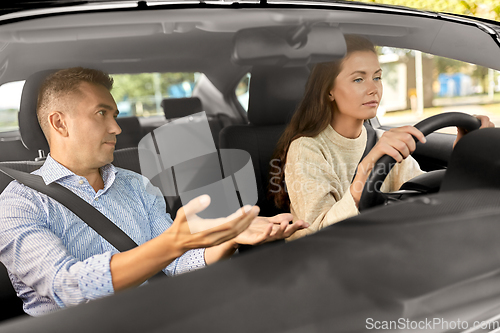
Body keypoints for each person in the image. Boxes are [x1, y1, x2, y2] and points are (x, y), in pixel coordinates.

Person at [0, 67, 308, 316]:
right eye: (101, 114)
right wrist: (174, 242)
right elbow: (66, 286)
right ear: (59, 124)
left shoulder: (135, 184)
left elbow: (174, 265)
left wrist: (228, 240)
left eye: (115, 115)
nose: (117, 128)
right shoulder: (20, 202)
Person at [270, 35, 494, 241]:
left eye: (377, 77)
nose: (373, 89)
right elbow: (317, 236)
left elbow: (422, 192)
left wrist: (463, 154)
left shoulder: (380, 140)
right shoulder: (306, 149)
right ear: (329, 90)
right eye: (358, 80)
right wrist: (366, 168)